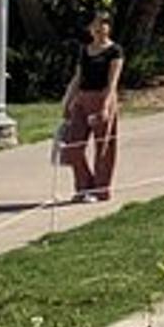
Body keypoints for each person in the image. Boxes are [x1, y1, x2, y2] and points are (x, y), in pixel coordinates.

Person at [60, 12, 122, 203]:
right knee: (73, 145)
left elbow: (113, 82)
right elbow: (78, 78)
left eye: (103, 24)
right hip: (82, 99)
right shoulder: (85, 50)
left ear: (108, 28)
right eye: (95, 24)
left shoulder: (114, 51)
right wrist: (67, 101)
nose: (99, 28)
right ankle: (83, 186)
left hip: (103, 97)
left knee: (103, 147)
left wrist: (105, 106)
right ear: (90, 28)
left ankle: (100, 189)